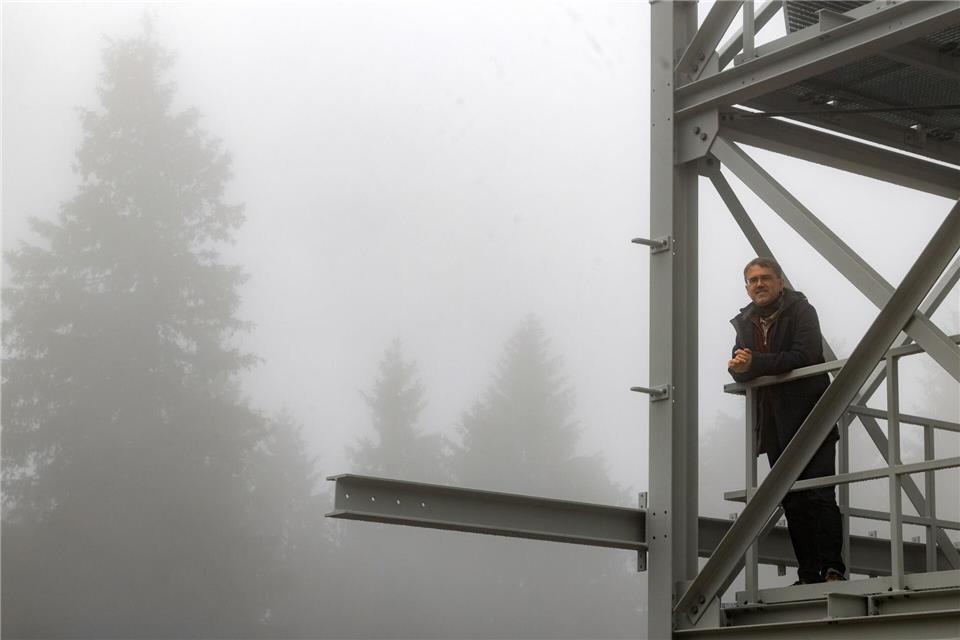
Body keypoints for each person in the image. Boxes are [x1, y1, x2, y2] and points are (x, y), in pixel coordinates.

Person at [727, 257, 846, 584]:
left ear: (781, 283)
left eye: (766, 277)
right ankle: (808, 574)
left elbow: (804, 356)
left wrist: (754, 363)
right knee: (792, 500)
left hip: (813, 418)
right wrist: (739, 367)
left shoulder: (802, 311)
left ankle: (833, 569)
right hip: (775, 426)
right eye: (753, 280)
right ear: (747, 288)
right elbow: (742, 365)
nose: (759, 284)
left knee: (819, 494)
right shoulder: (745, 322)